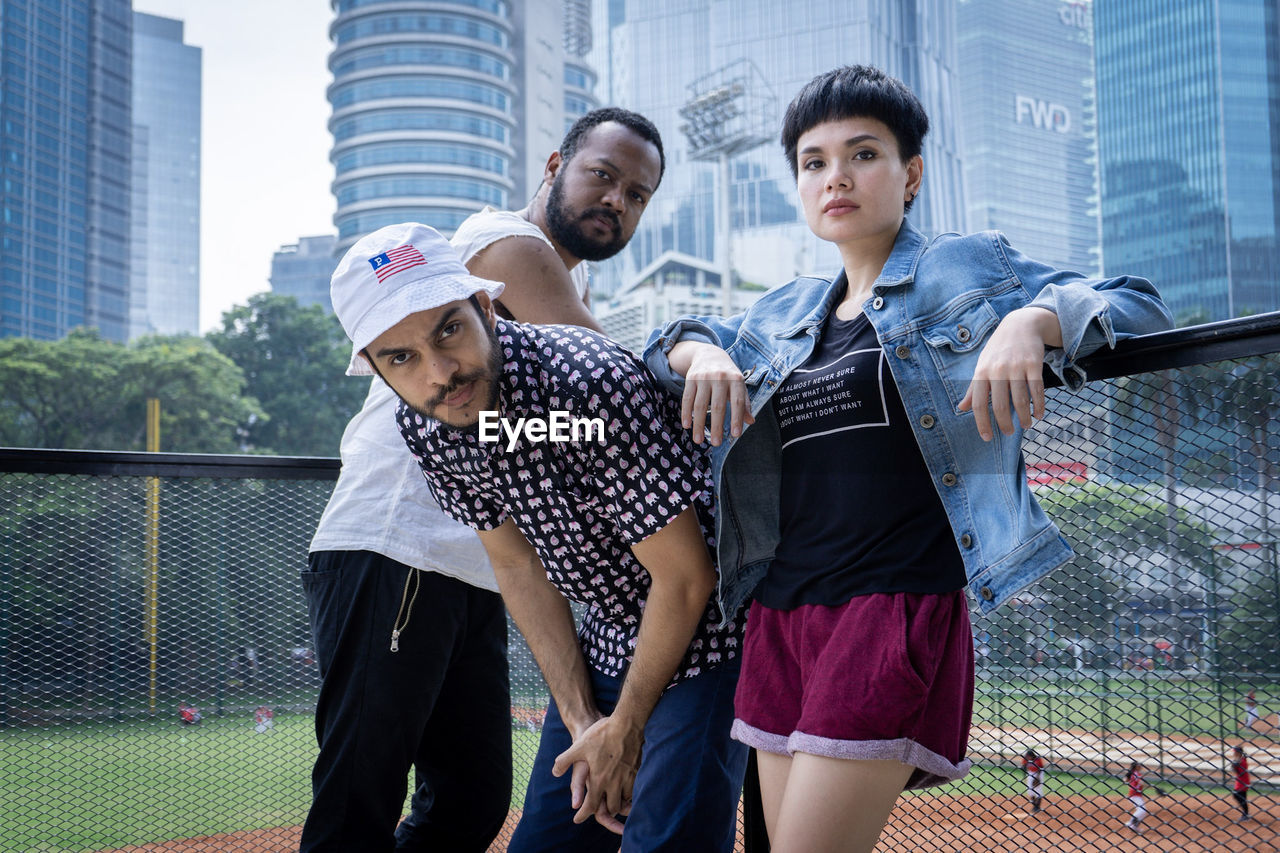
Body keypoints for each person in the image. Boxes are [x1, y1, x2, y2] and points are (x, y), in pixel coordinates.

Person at [643, 64, 1172, 853]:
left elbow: (1136, 303)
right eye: (814, 162)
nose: (836, 177)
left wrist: (1033, 320)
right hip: (780, 617)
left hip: (892, 607)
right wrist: (703, 357)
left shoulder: (966, 268)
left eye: (862, 154)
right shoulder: (781, 312)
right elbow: (657, 349)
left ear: (910, 172)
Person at [301, 107, 668, 853]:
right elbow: (623, 398)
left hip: (473, 566)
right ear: (554, 165)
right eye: (603, 175)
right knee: (358, 797)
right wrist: (698, 352)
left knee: (470, 799)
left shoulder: (567, 281)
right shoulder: (515, 246)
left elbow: (570, 427)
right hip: (397, 548)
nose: (615, 200)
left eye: (637, 194)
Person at [329, 220, 747, 853]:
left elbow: (686, 577)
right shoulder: (433, 425)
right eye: (401, 356)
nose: (440, 371)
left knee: (663, 842)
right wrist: (583, 719)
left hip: (711, 635)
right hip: (608, 632)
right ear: (377, 371)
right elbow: (517, 567)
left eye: (448, 328)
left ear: (485, 309)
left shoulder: (583, 385)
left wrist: (626, 729)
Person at [1124, 761, 1147, 832]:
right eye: (1139, 766)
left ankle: (1134, 826)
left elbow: (1125, 780)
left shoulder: (1132, 773)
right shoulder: (1136, 774)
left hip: (1135, 795)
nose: (1141, 767)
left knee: (1142, 811)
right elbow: (1141, 782)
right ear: (1136, 767)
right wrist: (1152, 787)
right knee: (1142, 810)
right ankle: (1130, 823)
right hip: (1135, 795)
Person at [1021, 748, 1046, 814]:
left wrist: (1038, 778)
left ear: (1032, 756)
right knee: (1030, 790)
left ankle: (1037, 806)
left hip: (1039, 773)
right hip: (1030, 773)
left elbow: (1041, 768)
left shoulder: (1038, 759)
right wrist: (1024, 776)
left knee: (1038, 789)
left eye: (1028, 756)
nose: (1027, 758)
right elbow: (1024, 766)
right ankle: (1034, 805)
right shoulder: (1025, 759)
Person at [1231, 746, 1251, 822]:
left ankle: (1246, 814)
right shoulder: (1240, 760)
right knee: (1242, 798)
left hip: (1242, 783)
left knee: (1237, 795)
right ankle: (1245, 814)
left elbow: (1241, 773)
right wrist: (1235, 766)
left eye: (1235, 752)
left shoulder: (1242, 762)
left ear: (1239, 753)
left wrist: (1235, 767)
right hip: (1241, 782)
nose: (1234, 753)